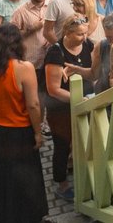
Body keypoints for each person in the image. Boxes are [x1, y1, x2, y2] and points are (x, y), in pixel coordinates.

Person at [0, 23, 48, 222]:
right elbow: (33, 104)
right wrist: (38, 132)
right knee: (20, 180)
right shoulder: (23, 68)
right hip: (16, 132)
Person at [44, 14, 95, 200]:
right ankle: (61, 184)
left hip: (85, 100)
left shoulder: (88, 45)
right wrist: (78, 98)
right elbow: (53, 89)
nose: (84, 37)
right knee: (62, 144)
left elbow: (93, 72)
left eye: (86, 33)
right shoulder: (55, 53)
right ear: (67, 32)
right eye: (80, 34)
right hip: (61, 109)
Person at [91, 12, 113, 93]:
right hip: (103, 96)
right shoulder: (101, 45)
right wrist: (77, 69)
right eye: (109, 38)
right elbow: (93, 74)